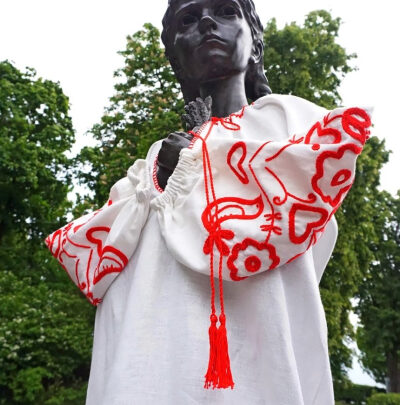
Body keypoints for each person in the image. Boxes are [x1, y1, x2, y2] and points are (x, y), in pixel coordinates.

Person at [45, 0, 372, 403]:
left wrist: (198, 159)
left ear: (255, 43)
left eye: (225, 11)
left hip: (257, 343)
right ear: (177, 61)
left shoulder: (292, 122)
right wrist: (165, 179)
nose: (205, 22)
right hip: (158, 352)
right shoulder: (150, 163)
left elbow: (299, 217)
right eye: (188, 19)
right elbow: (109, 257)